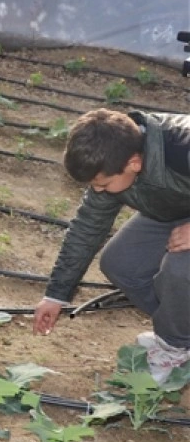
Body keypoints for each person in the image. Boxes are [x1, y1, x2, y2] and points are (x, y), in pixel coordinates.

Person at [32, 109, 190, 384]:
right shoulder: (116, 150)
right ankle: (179, 331)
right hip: (175, 208)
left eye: (103, 183)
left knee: (179, 269)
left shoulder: (182, 147)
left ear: (134, 164)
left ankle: (174, 346)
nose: (100, 191)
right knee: (121, 263)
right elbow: (86, 228)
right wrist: (56, 295)